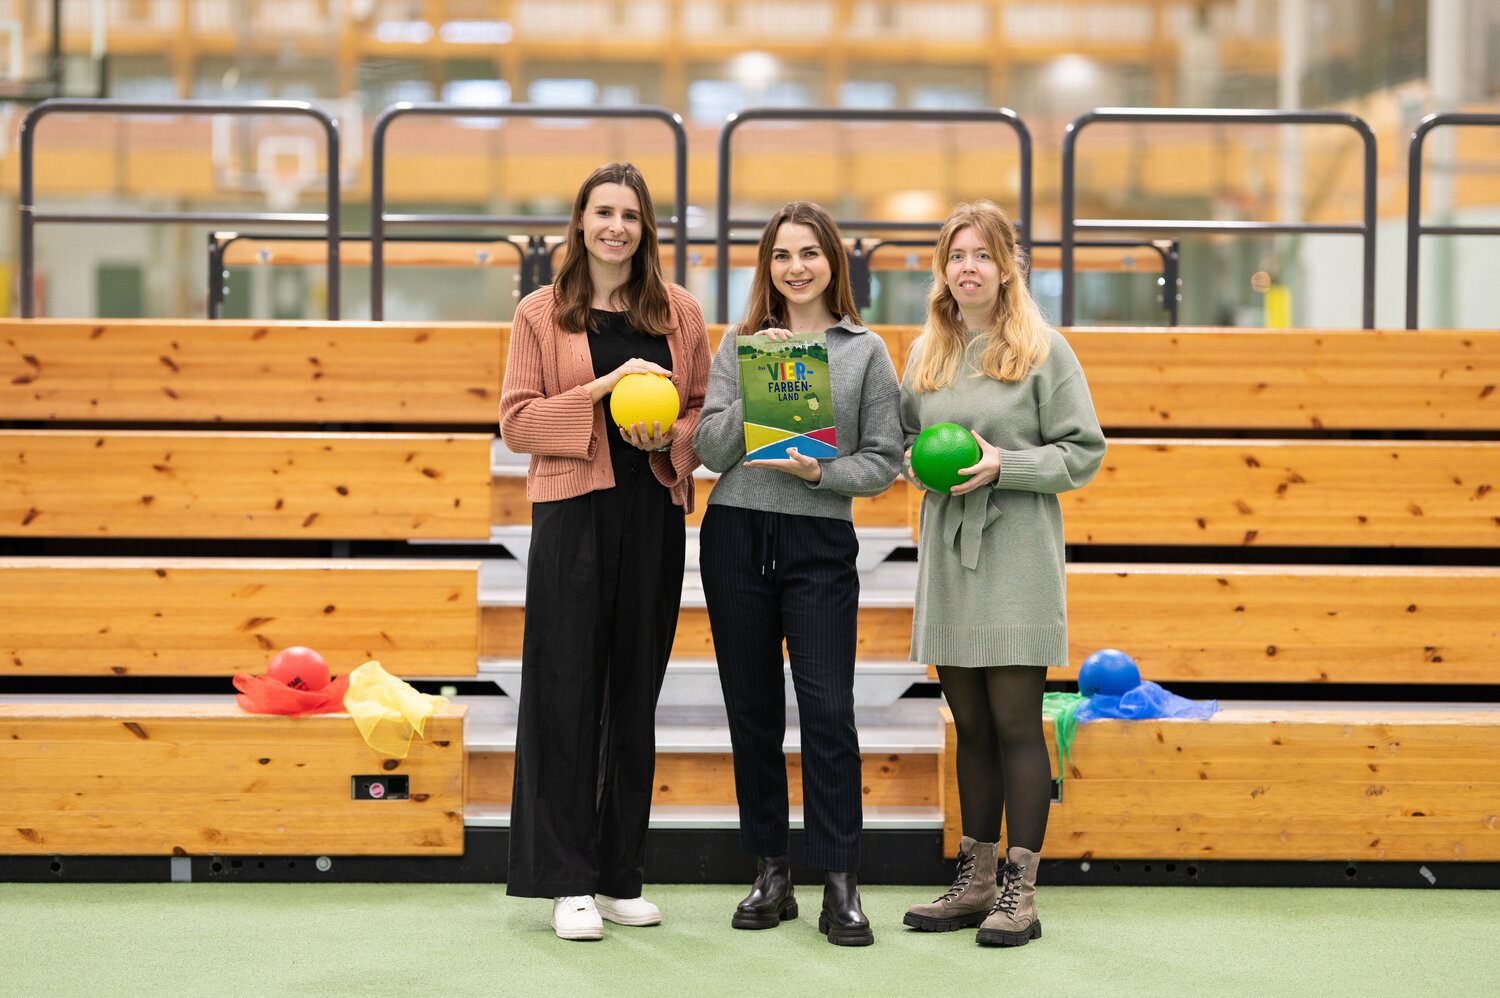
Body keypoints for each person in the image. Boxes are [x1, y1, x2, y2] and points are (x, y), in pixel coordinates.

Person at [499, 162, 711, 941]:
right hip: (571, 517)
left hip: (650, 513)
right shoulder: (540, 312)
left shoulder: (680, 313)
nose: (616, 226)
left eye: (630, 214)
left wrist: (670, 440)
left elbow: (703, 413)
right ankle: (567, 881)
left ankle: (620, 875)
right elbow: (518, 422)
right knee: (565, 693)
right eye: (603, 212)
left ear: (645, 226)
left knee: (633, 696)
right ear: (581, 223)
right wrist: (601, 388)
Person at [693, 201, 903, 947]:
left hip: (819, 540)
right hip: (736, 533)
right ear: (768, 267)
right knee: (752, 711)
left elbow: (884, 461)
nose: (796, 267)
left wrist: (822, 473)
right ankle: (771, 872)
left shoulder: (866, 351)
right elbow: (709, 451)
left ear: (832, 262)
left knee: (827, 711)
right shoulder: (741, 342)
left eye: (809, 252)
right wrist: (761, 378)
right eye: (782, 255)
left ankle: (840, 881)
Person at [899, 201, 1105, 947]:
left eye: (983, 255)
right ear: (942, 270)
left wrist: (1002, 466)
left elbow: (1083, 451)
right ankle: (976, 880)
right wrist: (918, 465)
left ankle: (1021, 891)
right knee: (972, 726)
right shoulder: (927, 353)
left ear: (1008, 266)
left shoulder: (1044, 350)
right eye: (957, 256)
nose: (969, 268)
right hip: (950, 560)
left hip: (1017, 554)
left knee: (1017, 723)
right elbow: (904, 443)